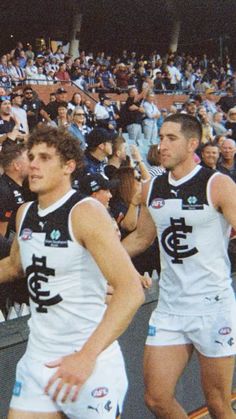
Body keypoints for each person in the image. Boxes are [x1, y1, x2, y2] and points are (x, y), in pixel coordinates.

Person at [0, 125, 144, 418]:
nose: (33, 165)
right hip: (38, 358)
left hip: (86, 359)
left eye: (44, 157)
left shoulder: (86, 212)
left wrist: (86, 356)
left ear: (69, 166)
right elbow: (15, 266)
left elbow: (131, 290)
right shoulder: (25, 212)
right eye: (31, 156)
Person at [123, 113, 236, 419]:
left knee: (217, 403)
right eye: (160, 138)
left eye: (171, 138)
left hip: (213, 307)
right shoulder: (151, 188)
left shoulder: (218, 184)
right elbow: (141, 238)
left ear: (192, 144)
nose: (162, 145)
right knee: (156, 398)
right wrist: (103, 260)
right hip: (171, 308)